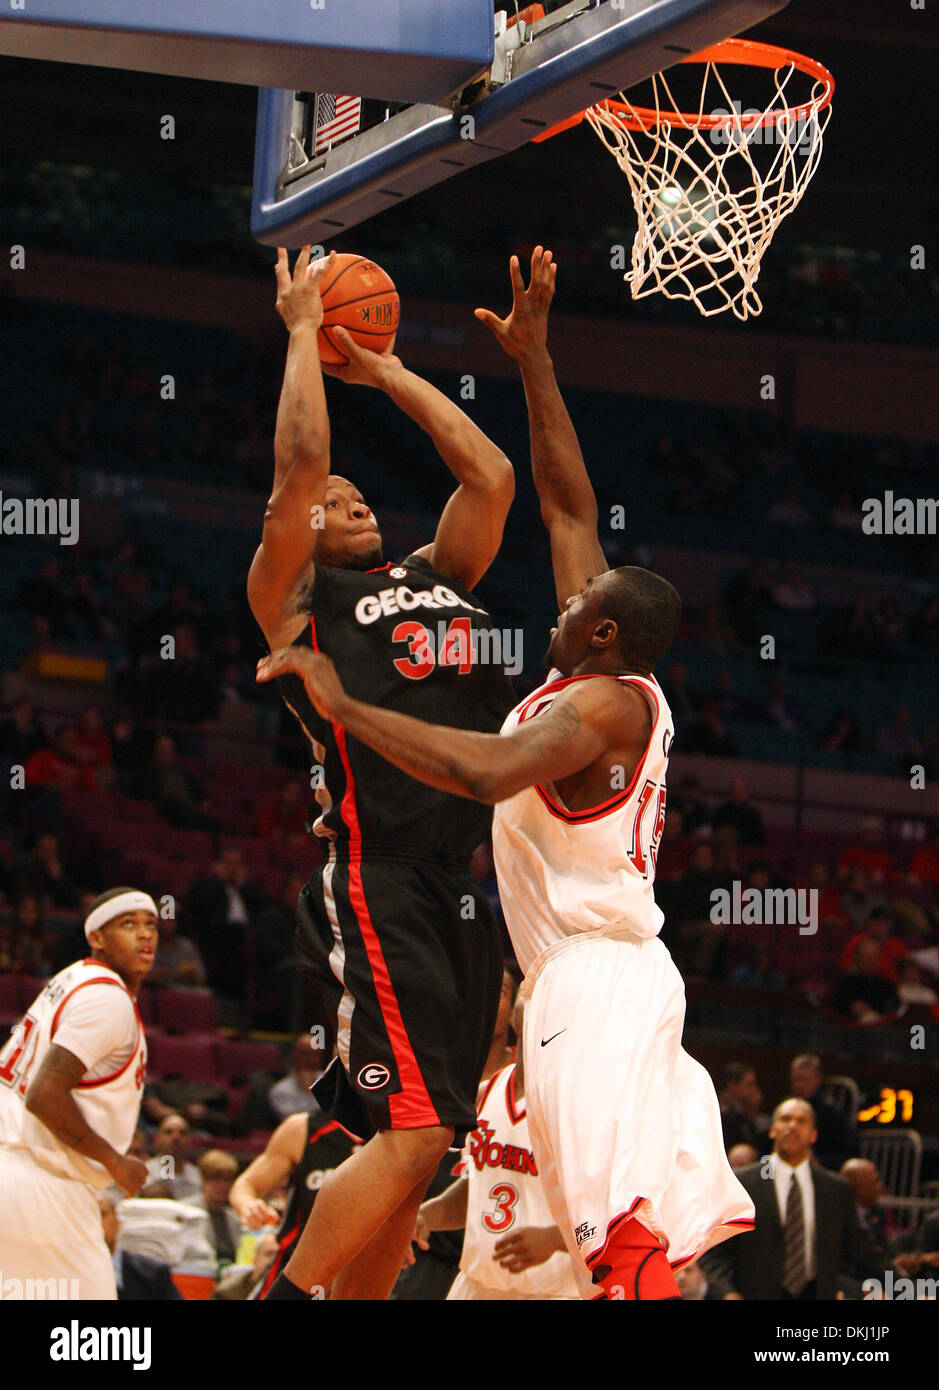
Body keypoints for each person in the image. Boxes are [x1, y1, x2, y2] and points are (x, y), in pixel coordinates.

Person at [259, 247, 754, 1300]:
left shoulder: (595, 697)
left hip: (570, 959)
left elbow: (489, 766)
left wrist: (352, 708)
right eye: (333, 498)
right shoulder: (314, 597)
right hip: (436, 896)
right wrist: (527, 358)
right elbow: (562, 504)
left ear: (605, 629)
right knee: (438, 1145)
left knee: (594, 1229)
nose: (557, 606)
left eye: (577, 609)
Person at [249, 246, 515, 1301]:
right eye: (336, 498)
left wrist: (386, 367)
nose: (350, 498)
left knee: (434, 1133)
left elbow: (490, 477)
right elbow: (301, 469)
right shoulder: (297, 597)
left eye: (364, 493)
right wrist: (307, 336)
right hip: (379, 870)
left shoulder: (433, 577)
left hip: (462, 878)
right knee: (410, 1131)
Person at [0, 887, 156, 1299]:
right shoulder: (107, 1000)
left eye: (151, 925)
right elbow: (44, 1095)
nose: (145, 935)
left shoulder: (69, 979)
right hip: (42, 1185)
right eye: (128, 924)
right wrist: (114, 1162)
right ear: (97, 938)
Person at [415, 1050, 580, 1300]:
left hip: (555, 1292)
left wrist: (555, 1239)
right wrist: (425, 1217)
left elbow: (608, 1209)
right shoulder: (485, 1093)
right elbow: (476, 1190)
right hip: (476, 1285)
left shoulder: (579, 1103)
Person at [698, 1098, 882, 1300]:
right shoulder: (743, 1182)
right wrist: (727, 1294)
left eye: (801, 1121)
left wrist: (909, 1288)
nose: (793, 1125)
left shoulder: (835, 1188)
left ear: (813, 1135)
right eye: (786, 1119)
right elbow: (714, 1250)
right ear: (773, 1130)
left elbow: (863, 1252)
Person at [230, 1111, 358, 1298]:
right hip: (297, 1268)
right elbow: (245, 1185)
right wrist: (248, 1206)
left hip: (365, 1270)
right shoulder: (302, 1129)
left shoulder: (399, 1135)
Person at [97, 1193, 183, 1301]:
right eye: (89, 1215)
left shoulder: (153, 1273)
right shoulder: (72, 1273)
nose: (95, 1221)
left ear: (117, 1223)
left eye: (102, 1214)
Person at [788, 1053, 856, 1171]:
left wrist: (818, 1161)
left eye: (805, 1080)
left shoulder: (832, 1114)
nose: (799, 1085)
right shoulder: (785, 1109)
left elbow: (849, 1152)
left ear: (817, 1080)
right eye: (796, 1080)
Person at [143, 1112, 202, 1200]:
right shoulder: (143, 1173)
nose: (176, 1137)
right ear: (157, 1139)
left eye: (182, 1133)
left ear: (190, 1141)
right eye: (168, 1132)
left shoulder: (198, 1177)